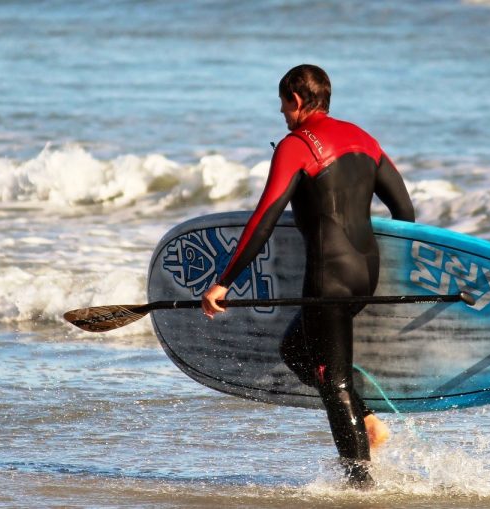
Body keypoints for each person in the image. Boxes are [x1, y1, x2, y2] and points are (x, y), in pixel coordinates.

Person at [201, 64, 415, 488]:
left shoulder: (296, 145)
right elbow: (405, 212)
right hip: (365, 274)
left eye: (282, 104)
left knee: (330, 379)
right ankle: (369, 422)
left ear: (296, 101)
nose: (281, 113)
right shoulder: (364, 138)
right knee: (298, 351)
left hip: (328, 279)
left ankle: (360, 486)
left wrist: (225, 281)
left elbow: (264, 219)